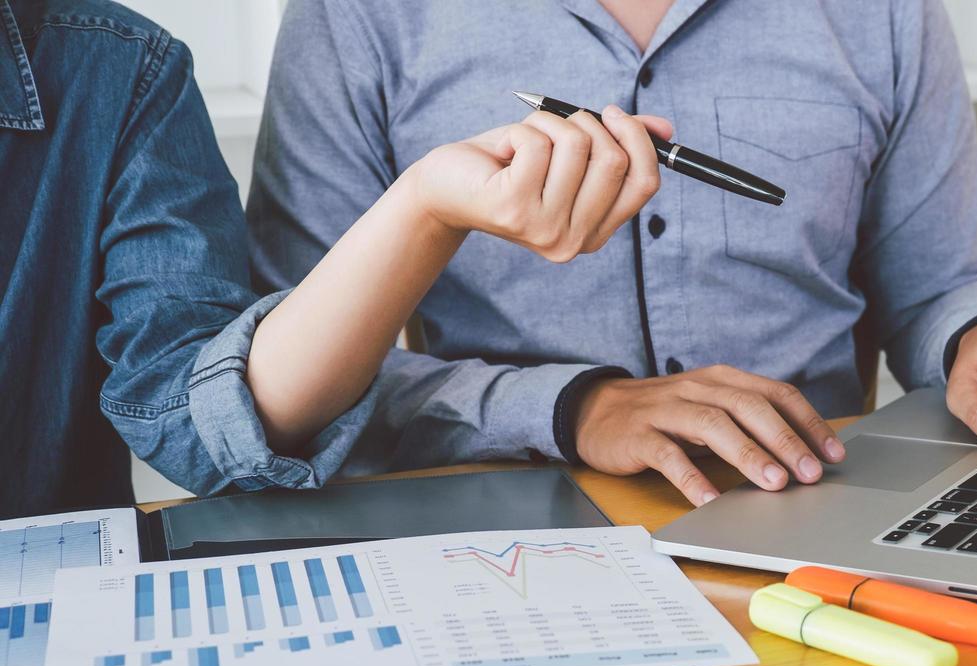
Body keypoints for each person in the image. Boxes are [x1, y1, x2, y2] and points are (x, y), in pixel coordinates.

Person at [248, 0, 977, 507]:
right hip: (502, 515)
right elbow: (289, 367)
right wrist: (571, 408)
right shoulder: (355, 17)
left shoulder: (884, 14)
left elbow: (941, 282)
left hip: (811, 502)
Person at [0, 0, 664, 520]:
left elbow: (215, 417)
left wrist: (425, 208)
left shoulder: (117, 68)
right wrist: (564, 406)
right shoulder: (347, 21)